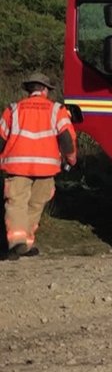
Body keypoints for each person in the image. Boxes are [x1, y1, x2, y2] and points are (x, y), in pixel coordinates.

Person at [1, 73, 77, 260]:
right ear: (45, 90)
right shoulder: (56, 110)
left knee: (17, 203)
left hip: (17, 165)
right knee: (35, 205)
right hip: (46, 167)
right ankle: (25, 243)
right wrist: (71, 158)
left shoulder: (13, 109)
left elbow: (1, 138)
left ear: (29, 90)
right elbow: (66, 137)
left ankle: (18, 242)